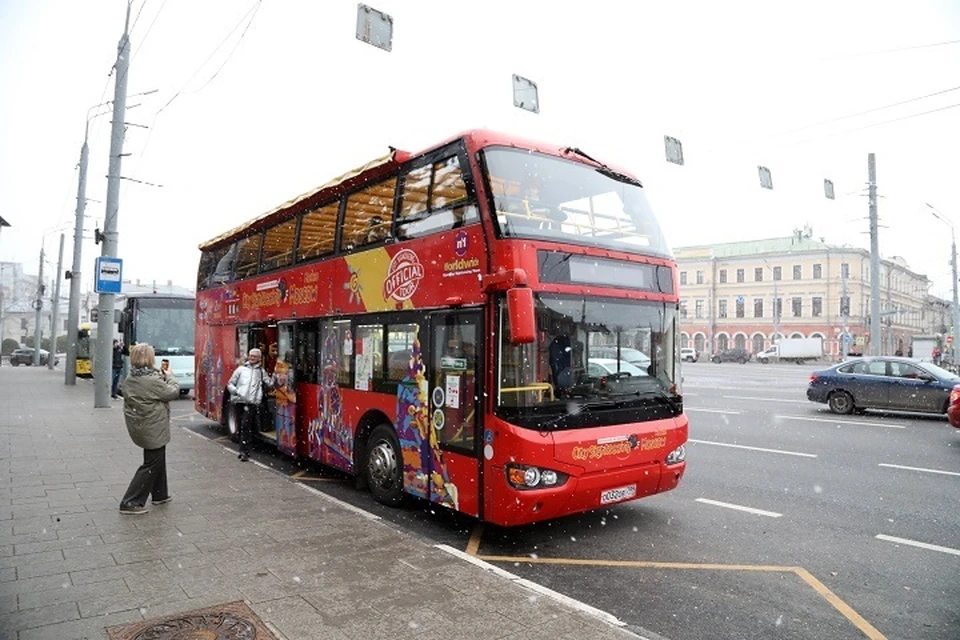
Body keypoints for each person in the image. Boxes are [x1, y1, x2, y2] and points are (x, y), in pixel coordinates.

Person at [118, 343, 180, 515]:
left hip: (142, 426)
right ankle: (130, 501)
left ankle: (160, 494)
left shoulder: (132, 378)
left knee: (157, 458)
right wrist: (171, 377)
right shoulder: (151, 381)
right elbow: (172, 392)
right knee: (151, 463)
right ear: (149, 358)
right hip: (153, 427)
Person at [227, 348, 275, 461]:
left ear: (259, 358)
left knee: (245, 425)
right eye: (250, 355)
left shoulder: (261, 372)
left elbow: (269, 384)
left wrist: (277, 375)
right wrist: (236, 391)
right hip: (239, 401)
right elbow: (230, 383)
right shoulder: (240, 369)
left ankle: (244, 452)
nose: (252, 358)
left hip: (251, 403)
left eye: (254, 356)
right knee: (241, 425)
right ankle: (244, 449)